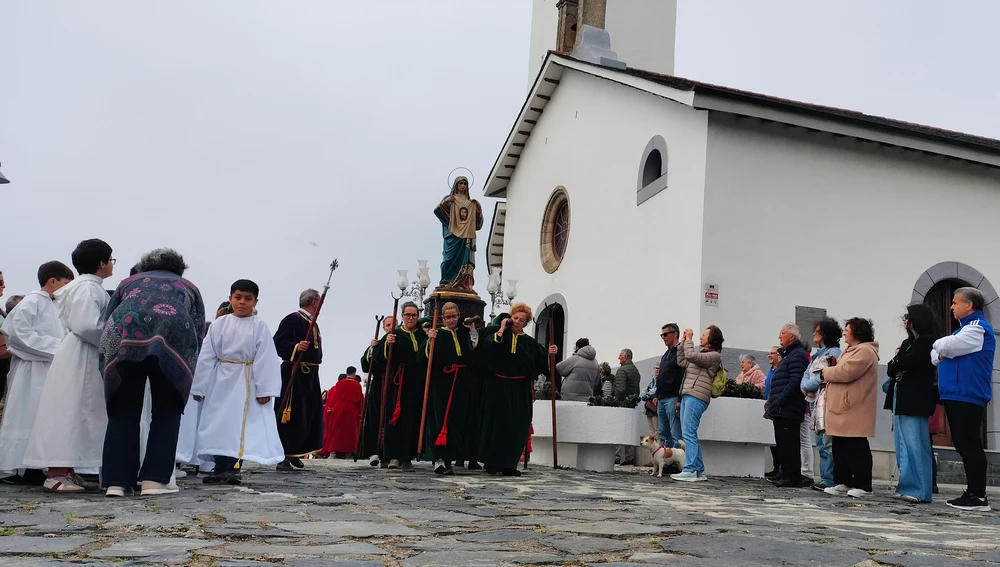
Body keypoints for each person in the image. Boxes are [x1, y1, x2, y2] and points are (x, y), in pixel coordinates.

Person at [100, 249, 206, 496]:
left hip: (125, 345)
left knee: (122, 410)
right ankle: (154, 481)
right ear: (179, 269)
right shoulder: (188, 286)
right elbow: (198, 329)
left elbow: (108, 320)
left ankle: (116, 483)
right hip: (173, 347)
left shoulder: (127, 283)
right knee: (166, 411)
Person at [23, 240, 114, 493]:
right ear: (101, 263)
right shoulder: (87, 288)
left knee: (80, 410)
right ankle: (56, 472)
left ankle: (70, 469)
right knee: (70, 409)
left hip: (79, 351)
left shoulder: (88, 286)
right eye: (110, 260)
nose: (112, 265)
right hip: (82, 352)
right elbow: (86, 325)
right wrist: (111, 340)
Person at [191, 279, 283, 485]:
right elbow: (206, 356)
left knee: (238, 425)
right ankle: (218, 466)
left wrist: (264, 389)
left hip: (245, 381)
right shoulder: (219, 325)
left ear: (256, 302)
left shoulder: (259, 327)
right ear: (230, 299)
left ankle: (234, 468)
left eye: (248, 299)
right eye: (238, 298)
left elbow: (266, 359)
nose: (242, 303)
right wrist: (200, 385)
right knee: (217, 423)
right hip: (220, 379)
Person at [0, 262, 74, 483]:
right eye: (65, 283)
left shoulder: (55, 305)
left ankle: (40, 465)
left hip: (51, 369)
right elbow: (17, 335)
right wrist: (61, 347)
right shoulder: (31, 302)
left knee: (44, 418)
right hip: (31, 371)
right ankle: (20, 468)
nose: (68, 289)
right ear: (52, 281)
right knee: (27, 414)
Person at [932, 287, 995, 511]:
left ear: (969, 305)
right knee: (963, 443)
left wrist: (941, 346)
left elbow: (945, 347)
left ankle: (978, 496)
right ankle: (972, 492)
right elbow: (936, 357)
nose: (951, 307)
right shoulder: (964, 330)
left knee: (969, 444)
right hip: (956, 394)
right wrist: (942, 350)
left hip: (967, 394)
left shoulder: (977, 328)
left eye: (955, 302)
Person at [479, 304, 556, 476]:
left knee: (517, 425)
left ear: (526, 323)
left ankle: (509, 464)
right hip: (497, 386)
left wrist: (551, 354)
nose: (517, 322)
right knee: (495, 424)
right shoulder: (497, 335)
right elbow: (487, 349)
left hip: (519, 389)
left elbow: (542, 362)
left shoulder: (529, 343)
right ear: (510, 317)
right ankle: (491, 463)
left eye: (522, 320)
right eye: (515, 318)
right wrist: (501, 330)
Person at [819, 317, 879, 499]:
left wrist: (825, 372)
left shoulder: (865, 351)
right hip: (842, 408)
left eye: (848, 329)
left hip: (854, 408)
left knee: (856, 447)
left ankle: (863, 485)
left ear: (857, 332)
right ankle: (843, 482)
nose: (844, 332)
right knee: (840, 446)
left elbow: (846, 372)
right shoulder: (851, 350)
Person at [885, 304, 939, 503]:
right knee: (903, 444)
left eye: (908, 316)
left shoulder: (926, 342)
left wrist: (897, 364)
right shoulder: (909, 342)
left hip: (916, 397)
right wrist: (897, 363)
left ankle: (920, 490)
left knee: (915, 443)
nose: (905, 320)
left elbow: (903, 363)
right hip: (903, 395)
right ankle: (907, 485)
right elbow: (893, 366)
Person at [273, 289, 326, 471]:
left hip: (310, 375)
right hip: (294, 373)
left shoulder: (312, 323)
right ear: (314, 302)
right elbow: (278, 343)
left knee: (307, 415)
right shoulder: (293, 319)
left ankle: (297, 451)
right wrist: (295, 346)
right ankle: (283, 454)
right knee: (291, 414)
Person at [372, 301, 427, 470]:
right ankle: (392, 456)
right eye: (408, 315)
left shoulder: (423, 335)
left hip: (417, 382)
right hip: (398, 382)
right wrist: (386, 345)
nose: (411, 318)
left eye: (414, 315)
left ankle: (407, 457)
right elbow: (378, 358)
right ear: (402, 317)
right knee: (394, 418)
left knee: (412, 419)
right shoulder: (395, 334)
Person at [423, 301, 475, 474]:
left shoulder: (464, 333)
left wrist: (473, 332)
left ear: (458, 317)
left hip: (461, 382)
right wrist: (430, 341)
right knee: (439, 418)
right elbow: (426, 358)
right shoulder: (437, 335)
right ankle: (437, 458)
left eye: (454, 316)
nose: (451, 320)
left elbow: (473, 353)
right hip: (442, 382)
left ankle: (449, 458)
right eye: (448, 317)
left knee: (456, 420)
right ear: (442, 319)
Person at [671, 326, 723, 482]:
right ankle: (699, 471)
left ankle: (690, 469)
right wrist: (682, 344)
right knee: (688, 432)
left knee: (689, 433)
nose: (701, 337)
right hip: (689, 394)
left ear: (712, 339)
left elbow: (691, 356)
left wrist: (689, 340)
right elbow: (682, 361)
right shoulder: (701, 355)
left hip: (697, 396)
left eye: (704, 335)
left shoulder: (714, 356)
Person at [801, 317, 843, 491]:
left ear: (825, 334)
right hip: (815, 400)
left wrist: (807, 385)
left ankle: (829, 480)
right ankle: (826, 478)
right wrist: (804, 386)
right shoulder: (818, 354)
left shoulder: (833, 354)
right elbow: (806, 373)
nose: (813, 334)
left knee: (826, 442)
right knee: (820, 441)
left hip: (825, 401)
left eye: (817, 331)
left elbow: (822, 376)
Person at [766, 324, 809, 488]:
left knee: (790, 444)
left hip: (788, 407)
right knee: (783, 443)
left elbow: (794, 382)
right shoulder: (789, 355)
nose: (779, 337)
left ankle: (792, 476)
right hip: (782, 408)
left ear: (791, 336)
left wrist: (779, 401)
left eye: (782, 334)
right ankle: (785, 473)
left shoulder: (797, 355)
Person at [435, 175, 484, 290]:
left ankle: (463, 284)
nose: (462, 186)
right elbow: (438, 211)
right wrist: (446, 201)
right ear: (456, 185)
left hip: (466, 237)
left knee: (465, 260)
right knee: (449, 259)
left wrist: (478, 209)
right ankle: (446, 282)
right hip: (452, 236)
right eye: (460, 183)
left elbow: (478, 224)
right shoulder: (450, 199)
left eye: (465, 183)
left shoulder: (470, 203)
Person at [360, 316, 395, 467]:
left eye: (392, 325)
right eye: (387, 325)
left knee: (391, 418)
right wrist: (373, 348)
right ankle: (372, 451)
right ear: (384, 328)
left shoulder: (400, 340)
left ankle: (389, 453)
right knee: (374, 416)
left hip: (394, 384)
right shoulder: (378, 343)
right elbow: (366, 365)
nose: (389, 327)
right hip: (379, 384)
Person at [321, 372, 364, 459]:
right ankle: (348, 453)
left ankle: (333, 452)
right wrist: (360, 413)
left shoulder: (338, 384)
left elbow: (334, 397)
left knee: (336, 431)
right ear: (354, 374)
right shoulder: (357, 385)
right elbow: (360, 401)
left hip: (339, 408)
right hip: (352, 409)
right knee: (350, 432)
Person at [655, 324, 683, 449]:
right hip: (662, 398)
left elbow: (683, 376)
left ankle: (678, 464)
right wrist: (657, 395)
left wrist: (680, 399)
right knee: (663, 433)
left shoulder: (680, 352)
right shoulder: (666, 354)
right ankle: (668, 462)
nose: (663, 337)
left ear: (675, 334)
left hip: (672, 397)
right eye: (662, 335)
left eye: (665, 334)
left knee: (675, 434)